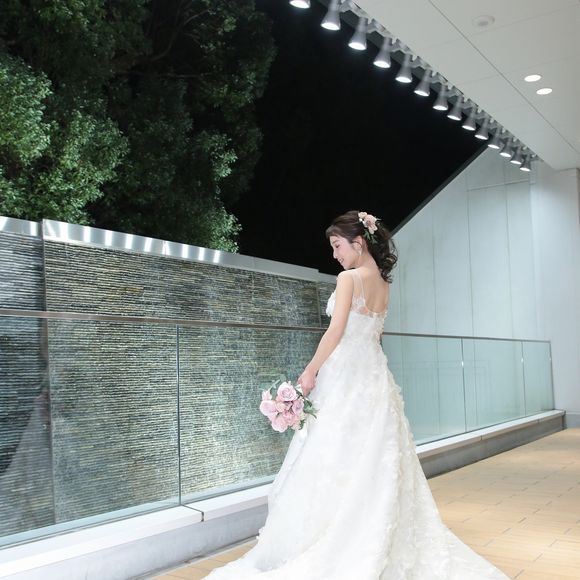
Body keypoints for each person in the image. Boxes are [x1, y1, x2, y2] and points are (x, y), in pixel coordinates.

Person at [205, 210, 509, 579]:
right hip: (375, 377)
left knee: (335, 453)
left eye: (337, 246)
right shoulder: (383, 283)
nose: (335, 255)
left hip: (346, 376)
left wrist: (309, 372)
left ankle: (337, 538)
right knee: (375, 456)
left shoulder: (349, 278)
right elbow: (374, 336)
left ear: (358, 242)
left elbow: (335, 333)